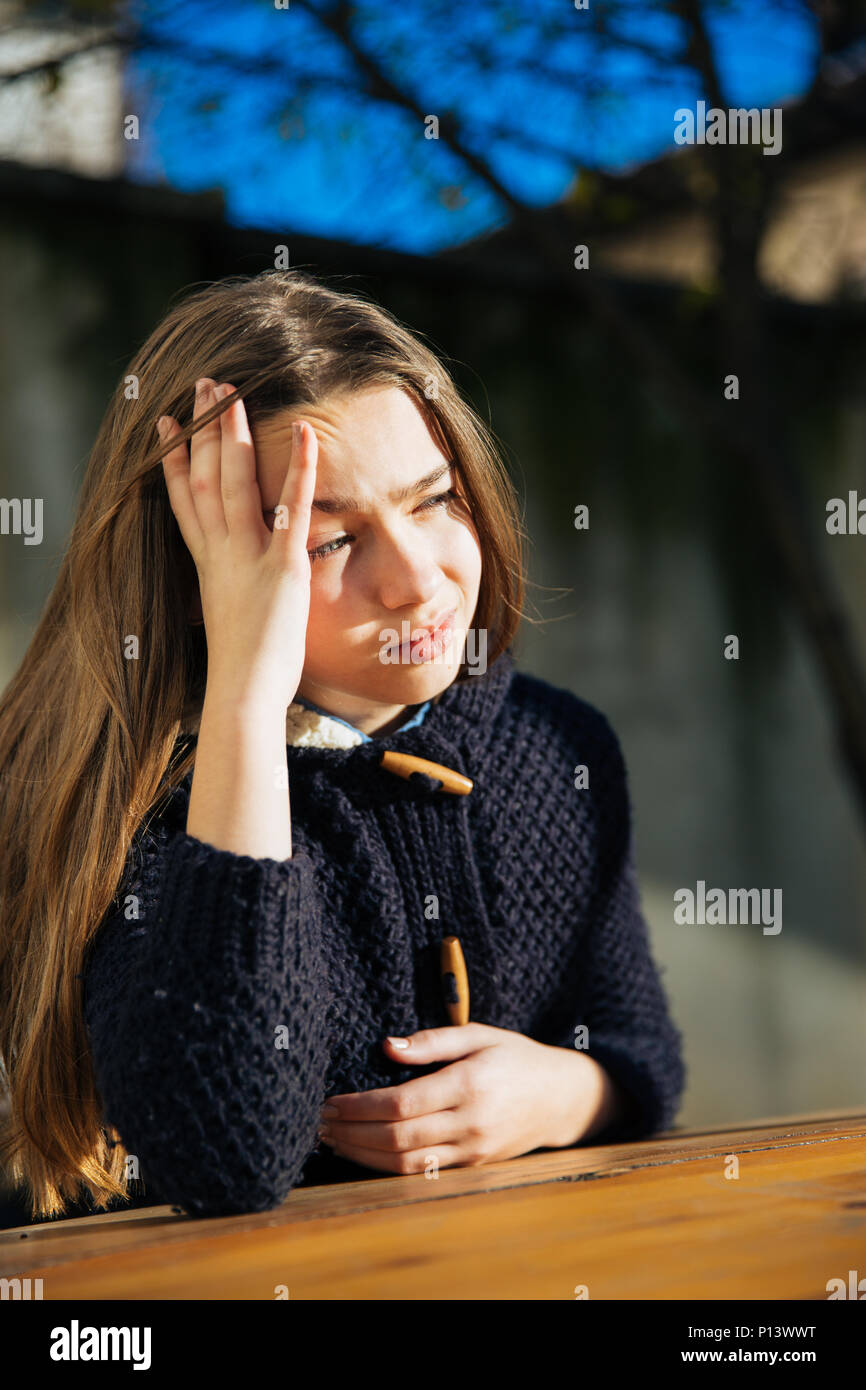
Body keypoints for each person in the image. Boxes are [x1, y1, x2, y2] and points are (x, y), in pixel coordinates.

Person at [0, 268, 685, 1224]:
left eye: (435, 499)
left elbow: (638, 1051)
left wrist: (558, 1094)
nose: (415, 580)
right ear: (196, 570)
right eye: (327, 543)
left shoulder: (557, 747)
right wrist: (245, 696)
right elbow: (223, 1163)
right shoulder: (134, 794)